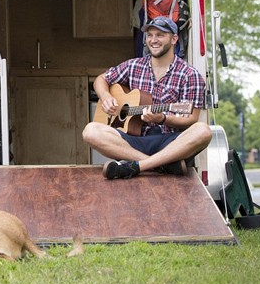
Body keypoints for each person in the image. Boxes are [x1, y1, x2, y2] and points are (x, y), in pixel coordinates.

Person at [82, 16, 212, 179]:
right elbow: (102, 79)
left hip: (169, 143)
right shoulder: (133, 66)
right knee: (90, 131)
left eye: (160, 35)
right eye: (150, 35)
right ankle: (159, 166)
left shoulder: (189, 75)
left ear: (174, 39)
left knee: (203, 131)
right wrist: (106, 96)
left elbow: (191, 118)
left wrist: (163, 119)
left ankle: (135, 167)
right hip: (134, 141)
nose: (153, 40)